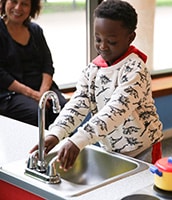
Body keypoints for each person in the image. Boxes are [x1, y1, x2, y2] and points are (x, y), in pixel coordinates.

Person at [30, 0, 163, 170]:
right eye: (98, 39)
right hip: (110, 149)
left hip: (143, 149)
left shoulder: (136, 70)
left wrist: (79, 139)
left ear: (130, 37)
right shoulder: (93, 69)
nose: (102, 46)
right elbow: (78, 104)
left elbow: (116, 110)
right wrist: (57, 133)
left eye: (112, 42)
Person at [0, 0, 67, 129]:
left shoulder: (36, 30)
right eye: (13, 1)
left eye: (24, 4)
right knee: (35, 113)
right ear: (4, 3)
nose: (18, 8)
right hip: (10, 92)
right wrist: (34, 95)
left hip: (41, 87)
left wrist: (43, 92)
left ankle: (60, 148)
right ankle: (36, 148)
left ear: (32, 8)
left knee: (63, 107)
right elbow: (2, 75)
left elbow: (47, 65)